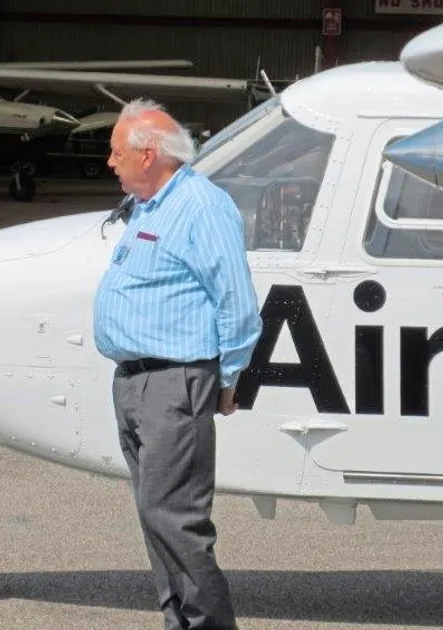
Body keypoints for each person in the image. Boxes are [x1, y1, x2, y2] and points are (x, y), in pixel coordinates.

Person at [92, 98, 263, 629]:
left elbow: (236, 302)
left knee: (175, 518)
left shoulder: (200, 206)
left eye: (116, 151)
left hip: (173, 383)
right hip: (136, 382)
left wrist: (229, 378)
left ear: (148, 155)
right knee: (156, 516)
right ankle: (179, 622)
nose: (110, 162)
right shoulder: (148, 205)